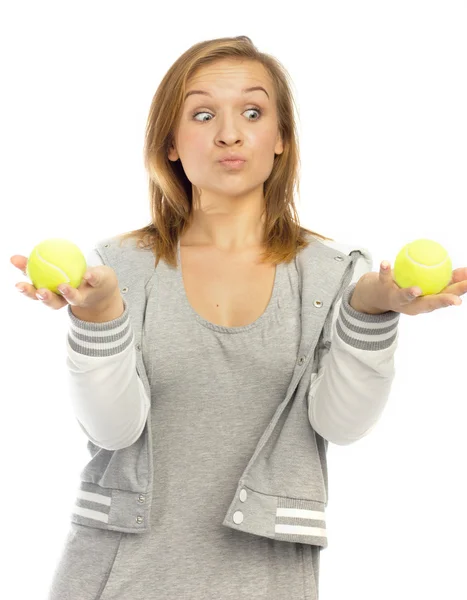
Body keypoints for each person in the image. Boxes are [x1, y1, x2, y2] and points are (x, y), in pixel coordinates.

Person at [12, 35, 465, 600]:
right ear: (171, 143)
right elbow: (112, 431)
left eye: (252, 112)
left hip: (267, 580)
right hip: (116, 576)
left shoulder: (330, 278)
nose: (230, 133)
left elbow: (341, 427)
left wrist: (370, 310)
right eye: (203, 114)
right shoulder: (117, 269)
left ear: (280, 139)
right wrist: (100, 316)